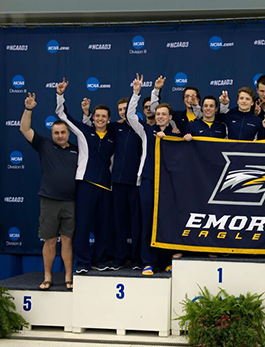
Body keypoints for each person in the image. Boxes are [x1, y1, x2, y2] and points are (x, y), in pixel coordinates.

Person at [55, 78, 115, 274]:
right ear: (93, 117)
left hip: (106, 186)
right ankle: (82, 262)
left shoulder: (114, 137)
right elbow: (62, 115)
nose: (99, 119)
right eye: (97, 116)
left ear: (108, 119)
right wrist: (60, 94)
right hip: (86, 184)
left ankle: (100, 260)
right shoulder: (84, 131)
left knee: (103, 227)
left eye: (103, 116)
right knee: (82, 226)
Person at [20, 92, 78, 290]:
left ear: (68, 133)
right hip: (49, 201)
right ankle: (47, 277)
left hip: (71, 202)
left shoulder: (78, 150)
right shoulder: (44, 145)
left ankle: (69, 277)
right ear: (51, 134)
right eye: (56, 133)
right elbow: (24, 129)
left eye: (63, 132)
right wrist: (28, 109)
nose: (60, 136)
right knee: (50, 240)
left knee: (68, 241)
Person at [81, 96, 143, 271]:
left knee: (137, 223)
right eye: (121, 109)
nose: (124, 112)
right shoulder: (114, 127)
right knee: (118, 223)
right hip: (116, 183)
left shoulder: (141, 127)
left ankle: (138, 258)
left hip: (136, 183)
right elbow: (91, 130)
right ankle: (119, 257)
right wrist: (86, 113)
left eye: (126, 108)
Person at [127, 74, 177, 276]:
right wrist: (136, 93)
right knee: (147, 222)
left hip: (167, 183)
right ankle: (148, 262)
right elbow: (131, 116)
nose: (161, 116)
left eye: (164, 114)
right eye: (158, 114)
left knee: (165, 222)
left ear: (170, 117)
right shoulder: (146, 131)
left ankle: (165, 260)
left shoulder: (176, 135)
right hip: (148, 180)